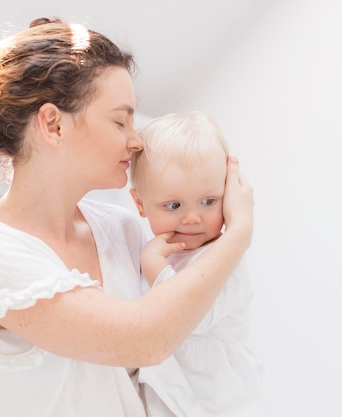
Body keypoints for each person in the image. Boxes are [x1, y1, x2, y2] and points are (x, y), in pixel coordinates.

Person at [0, 17, 254, 417]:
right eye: (120, 120)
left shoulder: (125, 229)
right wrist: (239, 232)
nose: (136, 141)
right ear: (53, 124)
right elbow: (146, 340)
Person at [129, 111, 269, 416]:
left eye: (209, 201)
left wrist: (155, 268)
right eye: (174, 205)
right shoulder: (154, 253)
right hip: (171, 397)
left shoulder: (226, 260)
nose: (193, 217)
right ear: (140, 203)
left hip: (222, 403)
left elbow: (189, 315)